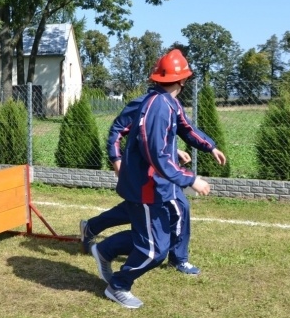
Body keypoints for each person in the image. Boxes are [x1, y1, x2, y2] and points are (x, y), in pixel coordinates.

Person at [90, 49, 221, 308]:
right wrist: (190, 179)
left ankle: (104, 250)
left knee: (152, 235)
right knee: (154, 251)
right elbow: (156, 153)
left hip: (153, 185)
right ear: (183, 81)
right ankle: (118, 285)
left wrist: (209, 146)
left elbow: (185, 127)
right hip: (146, 187)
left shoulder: (169, 103)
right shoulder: (157, 106)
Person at [80, 85, 225, 276]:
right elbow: (118, 130)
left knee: (177, 210)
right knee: (135, 213)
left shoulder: (172, 104)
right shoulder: (144, 103)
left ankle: (177, 258)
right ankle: (96, 234)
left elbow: (178, 132)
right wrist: (116, 160)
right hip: (146, 177)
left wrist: (207, 147)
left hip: (165, 176)